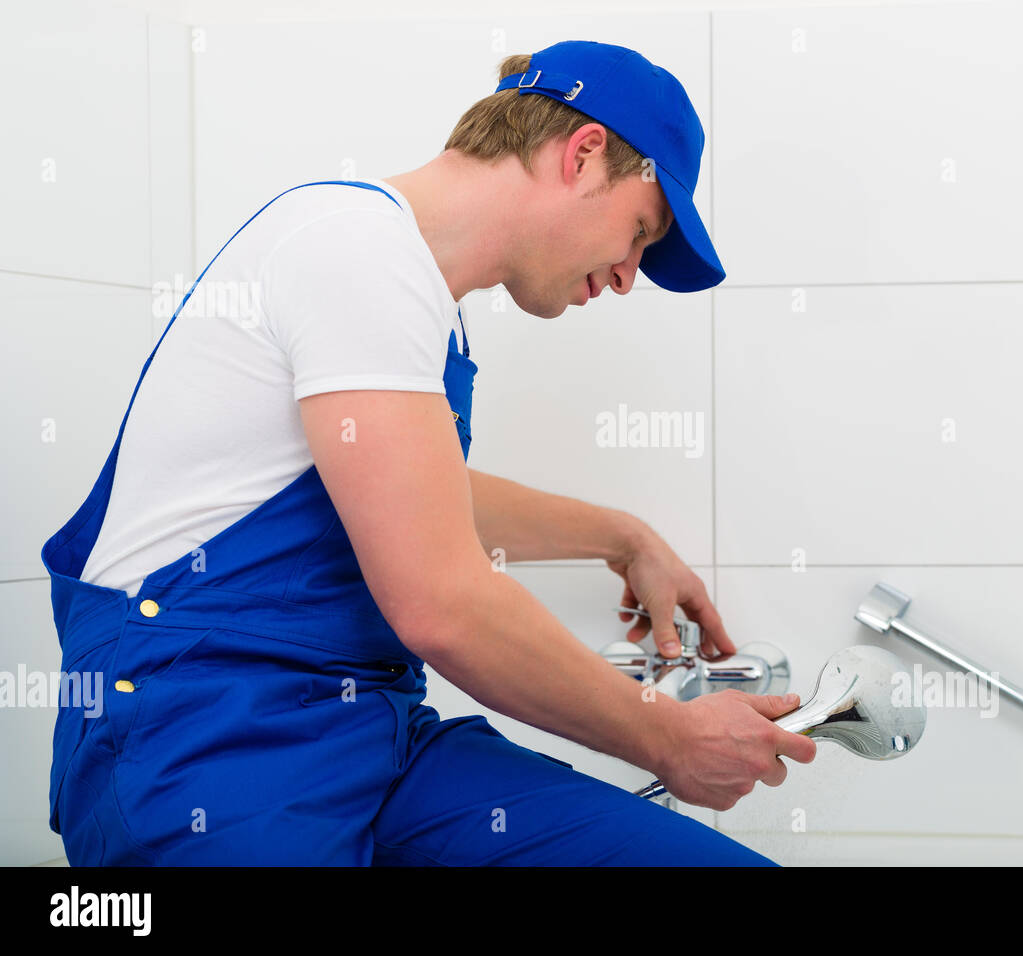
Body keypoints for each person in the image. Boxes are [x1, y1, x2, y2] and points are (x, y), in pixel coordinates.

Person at [41, 39, 816, 866]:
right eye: (640, 231)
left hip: (366, 736)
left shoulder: (407, 287)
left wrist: (624, 538)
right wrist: (664, 738)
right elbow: (440, 600)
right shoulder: (355, 251)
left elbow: (412, 496)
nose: (628, 276)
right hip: (205, 739)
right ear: (584, 155)